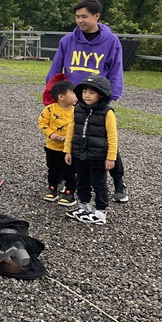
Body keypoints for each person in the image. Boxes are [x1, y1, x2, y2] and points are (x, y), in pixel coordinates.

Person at [46, 0, 129, 203]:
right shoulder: (67, 41)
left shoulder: (111, 42)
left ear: (96, 16)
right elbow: (56, 68)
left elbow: (115, 69)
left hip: (97, 99)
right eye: (77, 17)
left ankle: (118, 182)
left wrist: (112, 94)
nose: (80, 21)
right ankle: (71, 180)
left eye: (84, 16)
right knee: (74, 139)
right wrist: (52, 93)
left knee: (102, 141)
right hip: (74, 98)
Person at [64, 76, 118, 225]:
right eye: (85, 91)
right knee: (82, 181)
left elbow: (113, 137)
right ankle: (84, 205)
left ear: (101, 94)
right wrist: (68, 150)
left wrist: (111, 157)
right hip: (80, 153)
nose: (87, 95)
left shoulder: (108, 113)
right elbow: (71, 131)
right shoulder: (77, 109)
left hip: (98, 156)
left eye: (92, 92)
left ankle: (101, 211)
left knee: (99, 183)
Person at [38, 80, 78, 206]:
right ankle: (52, 188)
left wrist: (71, 137)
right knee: (53, 169)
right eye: (73, 93)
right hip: (52, 147)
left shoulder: (76, 111)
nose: (76, 96)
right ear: (61, 97)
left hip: (69, 149)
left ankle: (70, 192)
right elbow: (42, 123)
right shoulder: (49, 109)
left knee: (70, 171)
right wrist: (52, 134)